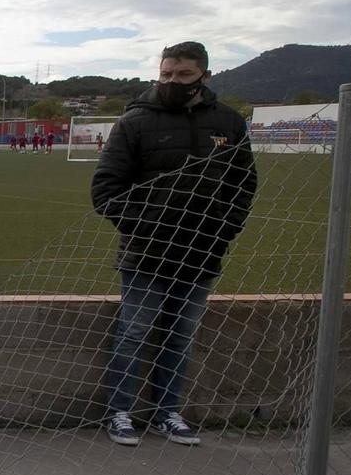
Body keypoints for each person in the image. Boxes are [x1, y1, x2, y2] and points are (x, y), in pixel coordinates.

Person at [90, 41, 256, 447]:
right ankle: (120, 412)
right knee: (135, 332)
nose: (172, 82)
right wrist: (147, 227)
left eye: (182, 75)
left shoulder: (229, 123)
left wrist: (222, 229)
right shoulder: (134, 121)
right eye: (166, 74)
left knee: (181, 336)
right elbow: (106, 190)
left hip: (202, 253)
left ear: (204, 76)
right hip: (146, 252)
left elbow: (243, 185)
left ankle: (168, 413)